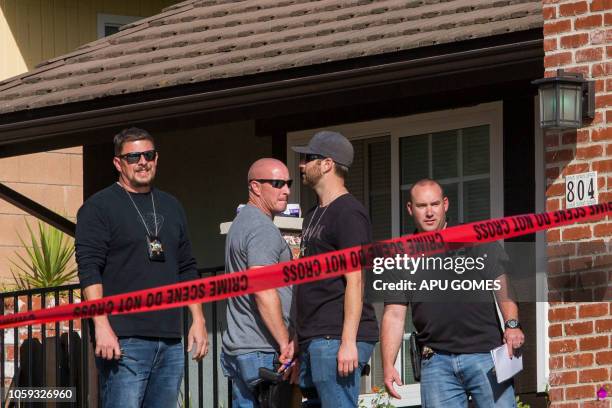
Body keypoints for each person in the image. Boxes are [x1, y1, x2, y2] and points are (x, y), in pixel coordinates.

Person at [76, 127, 208, 408]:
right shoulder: (98, 207)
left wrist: (198, 319)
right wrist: (101, 325)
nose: (142, 162)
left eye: (148, 155)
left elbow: (187, 267)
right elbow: (89, 269)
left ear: (156, 158)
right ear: (118, 163)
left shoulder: (172, 206)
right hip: (124, 339)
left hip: (170, 339)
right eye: (133, 156)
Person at [380, 178, 524, 407]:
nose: (429, 212)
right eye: (421, 206)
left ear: (445, 204)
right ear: (410, 209)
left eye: (434, 204)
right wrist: (388, 365)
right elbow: (394, 315)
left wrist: (512, 325)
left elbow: (501, 283)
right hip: (436, 362)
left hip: (484, 356)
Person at [292, 130, 379, 408]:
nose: (301, 165)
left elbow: (355, 280)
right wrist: (298, 337)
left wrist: (348, 341)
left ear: (327, 164)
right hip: (313, 337)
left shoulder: (349, 212)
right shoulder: (313, 214)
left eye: (308, 158)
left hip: (335, 336)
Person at [221, 158, 296, 408]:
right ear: (255, 187)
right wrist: (285, 342)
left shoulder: (241, 224)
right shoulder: (261, 228)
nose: (285, 190)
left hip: (241, 347)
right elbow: (262, 288)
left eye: (288, 183)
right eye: (277, 183)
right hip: (261, 348)